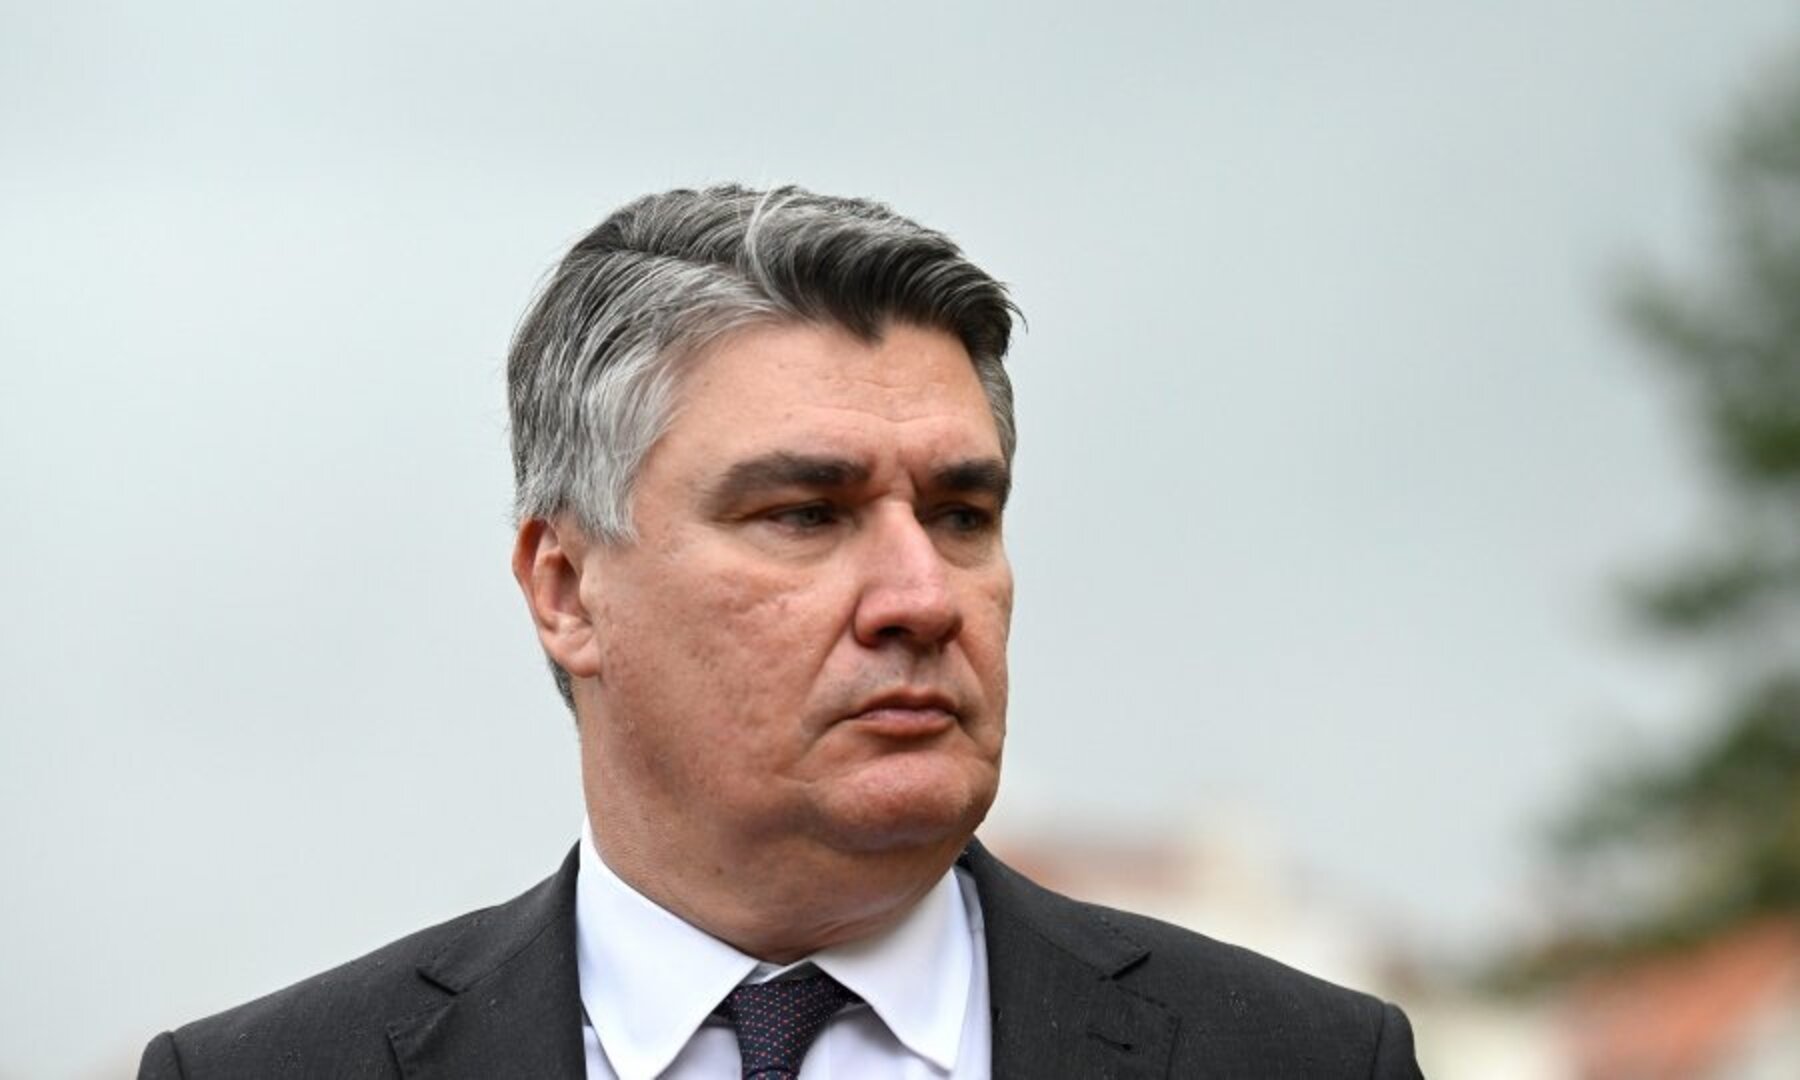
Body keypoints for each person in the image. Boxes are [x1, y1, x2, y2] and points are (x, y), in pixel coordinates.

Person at [138, 185, 1424, 1078]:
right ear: (567, 588)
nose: (923, 596)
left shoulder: (1303, 1062)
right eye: (808, 515)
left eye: (962, 514)